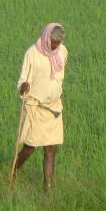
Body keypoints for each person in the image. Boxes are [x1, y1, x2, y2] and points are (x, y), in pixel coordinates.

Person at [15, 22, 68, 192]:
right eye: (52, 43)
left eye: (57, 44)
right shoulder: (32, 53)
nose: (54, 47)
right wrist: (23, 86)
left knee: (51, 149)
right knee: (30, 147)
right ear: (46, 38)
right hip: (35, 106)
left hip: (53, 108)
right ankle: (14, 170)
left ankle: (47, 188)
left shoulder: (62, 52)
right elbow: (23, 79)